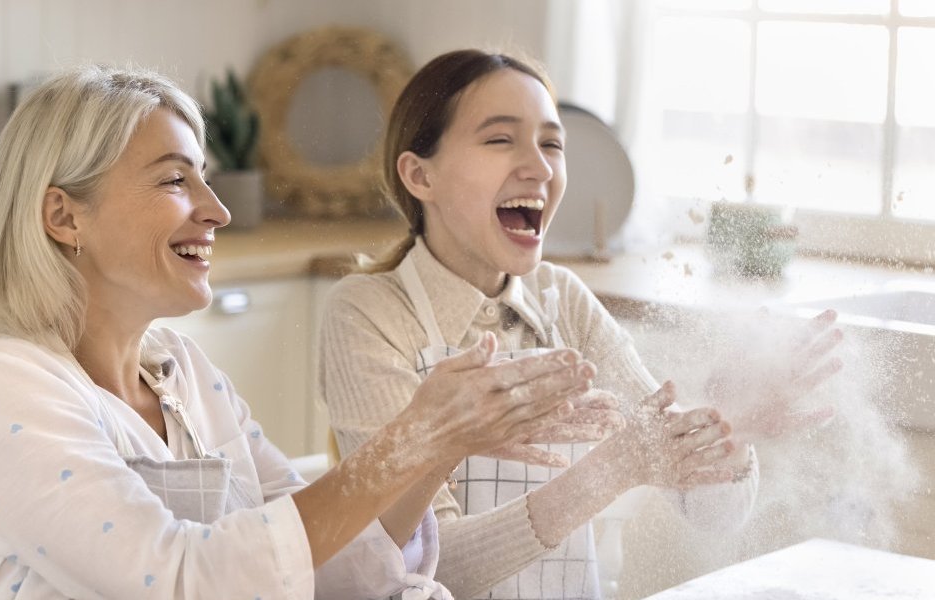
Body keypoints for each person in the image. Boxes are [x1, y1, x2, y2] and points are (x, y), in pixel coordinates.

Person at [0, 64, 611, 600]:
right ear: (64, 217)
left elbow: (331, 571)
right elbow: (181, 583)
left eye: (207, 178)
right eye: (174, 181)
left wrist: (437, 450)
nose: (217, 210)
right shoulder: (0, 387)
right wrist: (410, 440)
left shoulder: (183, 374)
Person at [319, 49, 843, 599]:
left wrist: (731, 426)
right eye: (501, 139)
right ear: (419, 175)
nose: (540, 167)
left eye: (551, 144)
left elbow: (711, 512)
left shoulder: (562, 300)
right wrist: (611, 470)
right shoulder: (369, 313)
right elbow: (425, 569)